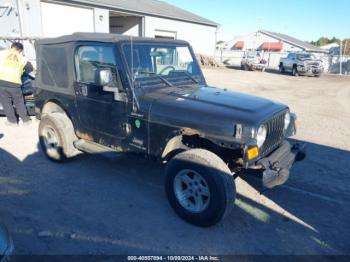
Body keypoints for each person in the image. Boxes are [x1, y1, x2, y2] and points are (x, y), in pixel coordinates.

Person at [0, 42, 31, 126]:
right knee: (19, 102)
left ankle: (12, 121)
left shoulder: (1, 54)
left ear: (11, 47)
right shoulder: (23, 59)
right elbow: (31, 71)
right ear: (20, 50)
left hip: (2, 82)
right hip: (15, 84)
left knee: (6, 103)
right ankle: (26, 120)